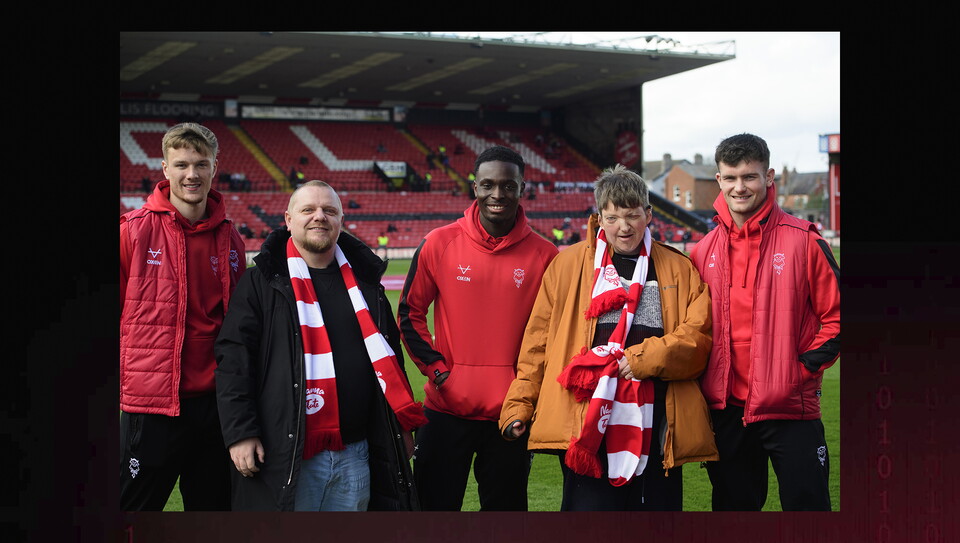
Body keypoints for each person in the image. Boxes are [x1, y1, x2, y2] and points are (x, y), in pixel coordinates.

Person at [499, 164, 717, 511]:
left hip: (657, 422)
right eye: (613, 217)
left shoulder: (678, 267)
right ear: (599, 217)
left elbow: (698, 340)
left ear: (649, 214)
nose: (624, 227)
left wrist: (642, 360)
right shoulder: (567, 265)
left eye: (633, 216)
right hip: (585, 420)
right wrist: (519, 404)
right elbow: (538, 344)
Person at [214, 181, 427, 511]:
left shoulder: (368, 285)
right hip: (287, 454)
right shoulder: (260, 284)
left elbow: (391, 361)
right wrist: (241, 432)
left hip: (357, 453)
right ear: (287, 219)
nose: (320, 217)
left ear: (341, 220)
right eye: (308, 210)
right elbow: (234, 362)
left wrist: (399, 427)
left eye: (329, 210)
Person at [397, 145, 558, 511]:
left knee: (504, 518)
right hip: (445, 408)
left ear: (521, 188)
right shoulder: (439, 242)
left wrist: (527, 388)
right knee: (433, 514)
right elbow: (409, 314)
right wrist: (439, 373)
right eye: (488, 185)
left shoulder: (546, 255)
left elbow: (555, 333)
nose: (497, 195)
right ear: (474, 187)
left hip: (511, 412)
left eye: (507, 185)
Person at [689, 133, 840, 511]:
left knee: (808, 510)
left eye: (750, 176)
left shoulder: (804, 240)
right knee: (733, 511)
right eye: (731, 177)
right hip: (726, 413)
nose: (740, 187)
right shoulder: (702, 250)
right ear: (719, 180)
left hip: (791, 407)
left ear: (768, 176)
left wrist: (799, 370)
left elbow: (837, 317)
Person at [119, 122, 246, 511]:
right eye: (181, 164)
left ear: (214, 168)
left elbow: (240, 321)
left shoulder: (231, 238)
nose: (191, 174)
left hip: (216, 407)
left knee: (212, 517)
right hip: (154, 405)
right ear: (164, 168)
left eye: (200, 164)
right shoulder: (132, 233)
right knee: (133, 514)